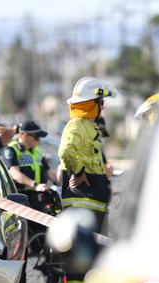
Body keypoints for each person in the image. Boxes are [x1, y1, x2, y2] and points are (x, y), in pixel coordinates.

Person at [58, 76, 118, 234]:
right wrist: (78, 173)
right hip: (83, 207)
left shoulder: (88, 127)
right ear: (92, 104)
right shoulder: (76, 126)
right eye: (101, 103)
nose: (103, 108)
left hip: (93, 206)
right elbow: (65, 151)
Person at [4, 121, 57, 211]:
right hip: (21, 197)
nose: (39, 141)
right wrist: (35, 185)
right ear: (25, 135)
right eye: (36, 138)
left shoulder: (37, 151)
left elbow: (50, 174)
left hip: (39, 196)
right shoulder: (11, 149)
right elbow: (14, 173)